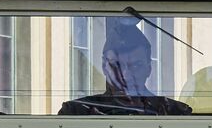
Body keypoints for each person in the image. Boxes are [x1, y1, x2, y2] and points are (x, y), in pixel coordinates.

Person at [58, 17, 192, 115]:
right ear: (105, 67)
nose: (126, 75)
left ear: (149, 68)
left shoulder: (175, 113)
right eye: (117, 65)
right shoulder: (75, 112)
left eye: (136, 66)